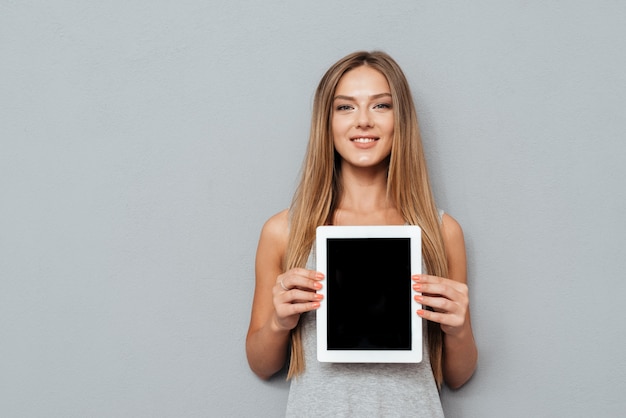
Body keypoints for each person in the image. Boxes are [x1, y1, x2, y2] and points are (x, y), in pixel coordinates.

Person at [246, 51, 477, 417]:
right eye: (345, 107)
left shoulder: (440, 231)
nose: (364, 121)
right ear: (327, 121)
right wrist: (278, 322)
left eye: (381, 106)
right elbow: (261, 364)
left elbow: (457, 376)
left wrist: (459, 328)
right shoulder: (284, 231)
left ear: (400, 119)